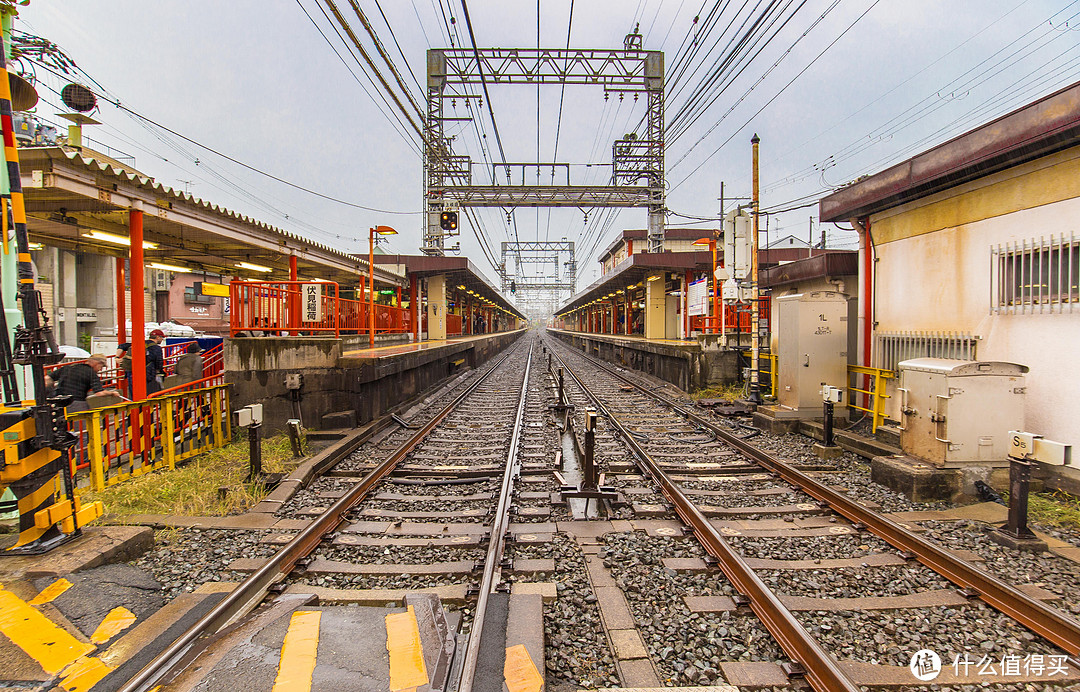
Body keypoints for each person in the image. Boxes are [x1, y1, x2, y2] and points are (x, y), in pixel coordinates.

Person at [50, 354, 117, 412]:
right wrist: (112, 393)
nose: (100, 369)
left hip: (59, 402)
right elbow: (99, 393)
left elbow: (47, 379)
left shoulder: (68, 367)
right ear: (97, 363)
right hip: (76, 403)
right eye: (101, 366)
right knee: (81, 425)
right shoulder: (91, 373)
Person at [145, 329, 166, 395]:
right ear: (157, 337)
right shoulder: (157, 348)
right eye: (162, 337)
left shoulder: (141, 343)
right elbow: (159, 362)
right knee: (152, 392)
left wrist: (117, 357)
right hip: (150, 373)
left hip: (136, 372)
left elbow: (123, 346)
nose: (162, 339)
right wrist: (160, 371)